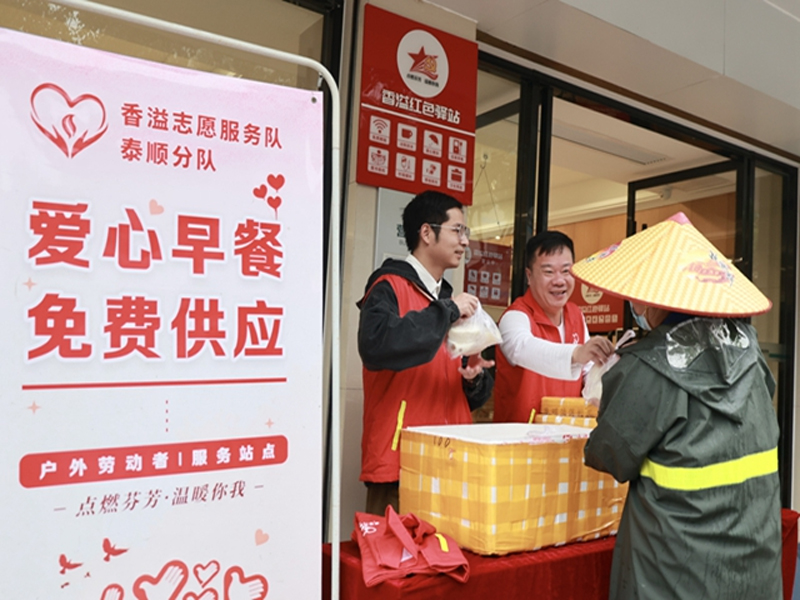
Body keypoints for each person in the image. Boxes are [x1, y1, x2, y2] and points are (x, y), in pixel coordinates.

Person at [573, 212, 781, 599]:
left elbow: (609, 455)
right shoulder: (750, 353)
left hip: (674, 568)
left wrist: (611, 397)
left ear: (655, 298)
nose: (635, 305)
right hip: (753, 559)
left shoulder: (646, 366)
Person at [357, 190, 494, 515]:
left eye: (465, 232)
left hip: (450, 460)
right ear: (427, 233)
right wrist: (446, 311)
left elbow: (475, 397)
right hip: (400, 462)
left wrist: (474, 379)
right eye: (457, 230)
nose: (464, 241)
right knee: (395, 547)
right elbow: (376, 345)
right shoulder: (389, 286)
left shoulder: (449, 302)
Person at [493, 231, 614, 423]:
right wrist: (577, 353)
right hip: (520, 436)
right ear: (529, 276)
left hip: (568, 433)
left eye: (566, 271)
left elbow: (588, 372)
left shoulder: (576, 315)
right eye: (548, 272)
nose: (559, 281)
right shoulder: (514, 317)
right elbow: (522, 348)